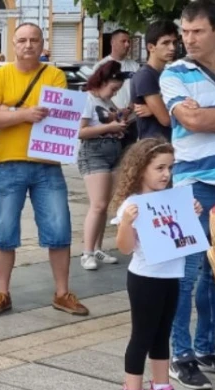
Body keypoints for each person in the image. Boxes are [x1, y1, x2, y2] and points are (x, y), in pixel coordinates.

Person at [0, 23, 88, 316]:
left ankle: (62, 293)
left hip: (47, 164)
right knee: (4, 231)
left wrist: (9, 113)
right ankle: (2, 292)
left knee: (59, 229)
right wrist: (25, 114)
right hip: (8, 162)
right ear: (14, 44)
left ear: (42, 45)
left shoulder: (54, 75)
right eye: (23, 40)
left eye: (34, 40)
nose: (28, 45)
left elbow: (61, 115)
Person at [159, 0, 215, 390]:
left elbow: (204, 118)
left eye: (197, 31)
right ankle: (179, 354)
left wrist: (209, 117)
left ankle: (206, 347)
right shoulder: (174, 72)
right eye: (184, 32)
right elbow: (191, 120)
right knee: (183, 273)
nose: (188, 39)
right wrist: (202, 118)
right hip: (191, 182)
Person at [111, 139, 196, 390]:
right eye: (159, 167)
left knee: (162, 334)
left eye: (170, 167)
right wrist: (126, 223)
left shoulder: (172, 200)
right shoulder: (132, 204)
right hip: (145, 278)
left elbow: (184, 236)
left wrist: (193, 214)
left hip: (171, 276)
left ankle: (161, 387)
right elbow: (124, 248)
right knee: (142, 335)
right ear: (140, 169)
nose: (166, 174)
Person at [77, 61, 129, 271]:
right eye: (113, 88)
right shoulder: (88, 99)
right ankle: (87, 252)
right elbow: (80, 132)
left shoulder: (108, 102)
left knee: (105, 205)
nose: (114, 93)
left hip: (113, 151)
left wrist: (120, 122)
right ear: (102, 81)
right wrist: (109, 127)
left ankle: (97, 248)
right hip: (94, 152)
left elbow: (111, 123)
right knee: (97, 204)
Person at [131, 21, 178, 141]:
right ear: (151, 47)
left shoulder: (167, 73)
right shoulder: (145, 75)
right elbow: (165, 119)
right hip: (155, 146)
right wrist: (158, 109)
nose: (172, 47)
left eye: (174, 42)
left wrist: (153, 109)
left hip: (170, 142)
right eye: (165, 43)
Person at [94, 30, 140, 110]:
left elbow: (139, 91)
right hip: (111, 116)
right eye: (123, 41)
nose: (127, 45)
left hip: (133, 116)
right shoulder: (101, 66)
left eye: (128, 42)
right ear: (112, 42)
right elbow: (96, 94)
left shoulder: (135, 66)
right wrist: (116, 112)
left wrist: (129, 109)